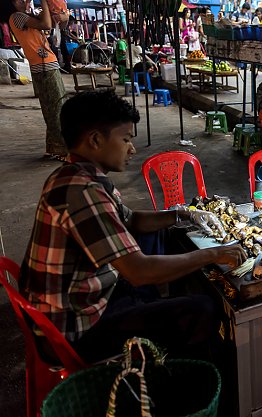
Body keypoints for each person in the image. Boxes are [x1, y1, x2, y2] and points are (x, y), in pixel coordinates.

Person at [19, 90, 247, 363]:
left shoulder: (77, 175)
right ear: (95, 140)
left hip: (84, 298)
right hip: (73, 329)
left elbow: (132, 220)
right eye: (126, 139)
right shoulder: (82, 191)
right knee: (202, 309)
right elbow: (138, 272)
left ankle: (153, 311)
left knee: (157, 233)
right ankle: (173, 379)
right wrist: (212, 254)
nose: (132, 148)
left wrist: (183, 214)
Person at [0, 0, 68, 160]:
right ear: (11, 4)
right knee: (57, 109)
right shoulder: (16, 17)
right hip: (44, 66)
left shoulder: (24, 16)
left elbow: (51, 23)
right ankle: (63, 150)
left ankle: (53, 147)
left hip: (45, 64)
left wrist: (59, 14)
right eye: (18, 0)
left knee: (52, 108)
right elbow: (46, 24)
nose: (23, 1)